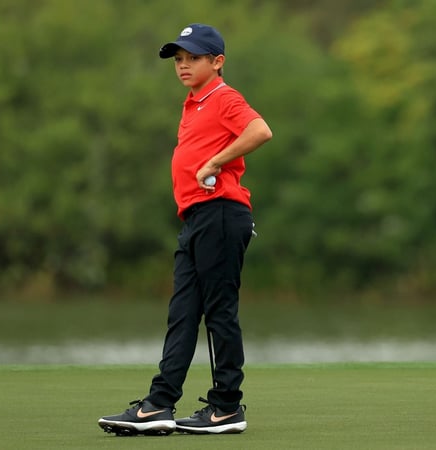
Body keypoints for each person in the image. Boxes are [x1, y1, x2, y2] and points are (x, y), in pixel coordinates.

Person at [98, 23, 272, 436]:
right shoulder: (192, 103)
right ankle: (159, 404)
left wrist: (214, 163)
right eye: (178, 59)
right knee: (182, 314)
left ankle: (227, 406)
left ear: (217, 62)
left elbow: (260, 130)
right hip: (197, 218)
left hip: (222, 213)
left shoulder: (223, 96)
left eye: (193, 58)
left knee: (219, 313)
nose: (183, 65)